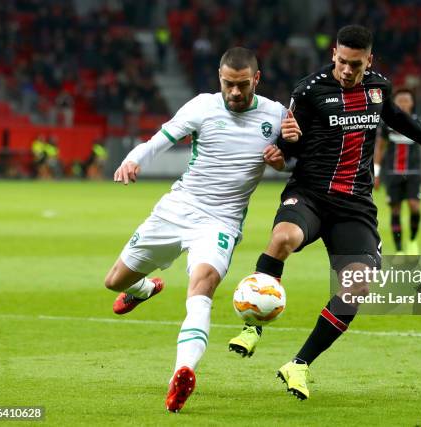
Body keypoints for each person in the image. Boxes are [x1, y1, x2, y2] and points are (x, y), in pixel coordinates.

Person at [228, 25, 421, 400]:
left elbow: (400, 120)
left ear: (368, 60)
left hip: (354, 205)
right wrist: (283, 150)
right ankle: (252, 325)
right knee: (283, 238)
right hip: (310, 194)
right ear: (334, 56)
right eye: (341, 61)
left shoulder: (377, 88)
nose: (346, 69)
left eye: (355, 64)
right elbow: (289, 145)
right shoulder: (309, 91)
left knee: (358, 287)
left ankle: (299, 364)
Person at [103, 47, 301, 413]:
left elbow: (298, 162)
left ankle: (182, 373)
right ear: (219, 78)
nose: (235, 93)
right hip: (178, 208)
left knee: (202, 285)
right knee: (114, 281)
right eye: (228, 84)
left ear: (256, 80)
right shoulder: (202, 106)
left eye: (242, 85)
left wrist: (283, 162)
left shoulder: (276, 116)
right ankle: (144, 289)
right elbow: (159, 141)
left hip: (221, 221)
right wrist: (132, 160)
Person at [373, 89, 421, 255]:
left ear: (411, 103)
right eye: (399, 100)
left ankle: (412, 240)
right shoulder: (387, 124)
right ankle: (399, 249)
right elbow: (379, 148)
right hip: (393, 173)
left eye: (406, 100)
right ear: (395, 103)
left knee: (414, 206)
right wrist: (377, 173)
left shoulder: (419, 123)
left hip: (413, 172)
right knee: (395, 210)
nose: (403, 103)